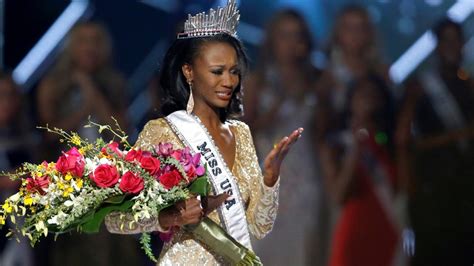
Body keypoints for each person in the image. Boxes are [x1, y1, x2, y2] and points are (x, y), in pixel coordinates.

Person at [105, 1, 302, 264]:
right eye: (217, 71)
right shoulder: (163, 131)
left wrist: (269, 179)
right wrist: (172, 216)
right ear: (189, 72)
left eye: (234, 72)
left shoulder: (241, 133)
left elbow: (258, 227)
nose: (229, 81)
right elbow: (116, 218)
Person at [36, 22, 141, 266]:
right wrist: (82, 108)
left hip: (109, 179)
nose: (90, 48)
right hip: (66, 180)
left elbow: (122, 131)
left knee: (113, 248)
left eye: (96, 41)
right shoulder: (52, 84)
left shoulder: (114, 83)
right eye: (83, 40)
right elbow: (48, 134)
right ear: (72, 46)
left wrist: (91, 90)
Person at [243, 9, 323, 265]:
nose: (291, 43)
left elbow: (324, 131)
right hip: (269, 174)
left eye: (296, 36)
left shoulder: (317, 80)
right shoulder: (257, 81)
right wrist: (279, 102)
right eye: (284, 35)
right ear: (272, 40)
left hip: (307, 176)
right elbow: (245, 132)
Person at [396, 18, 474, 265]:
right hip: (432, 193)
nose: (452, 45)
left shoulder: (470, 85)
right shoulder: (419, 88)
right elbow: (405, 140)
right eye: (446, 40)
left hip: (467, 192)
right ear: (436, 46)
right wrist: (455, 137)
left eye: (456, 39)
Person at [320, 76, 399, 266]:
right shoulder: (336, 145)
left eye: (374, 94)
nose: (369, 99)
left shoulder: (391, 144)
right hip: (353, 235)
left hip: (388, 232)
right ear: (350, 100)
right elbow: (338, 195)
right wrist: (356, 147)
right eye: (362, 94)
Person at [0, 71, 35, 266]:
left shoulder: (23, 139)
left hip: (20, 227)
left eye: (10, 95)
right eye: (1, 95)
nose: (6, 101)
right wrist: (7, 180)